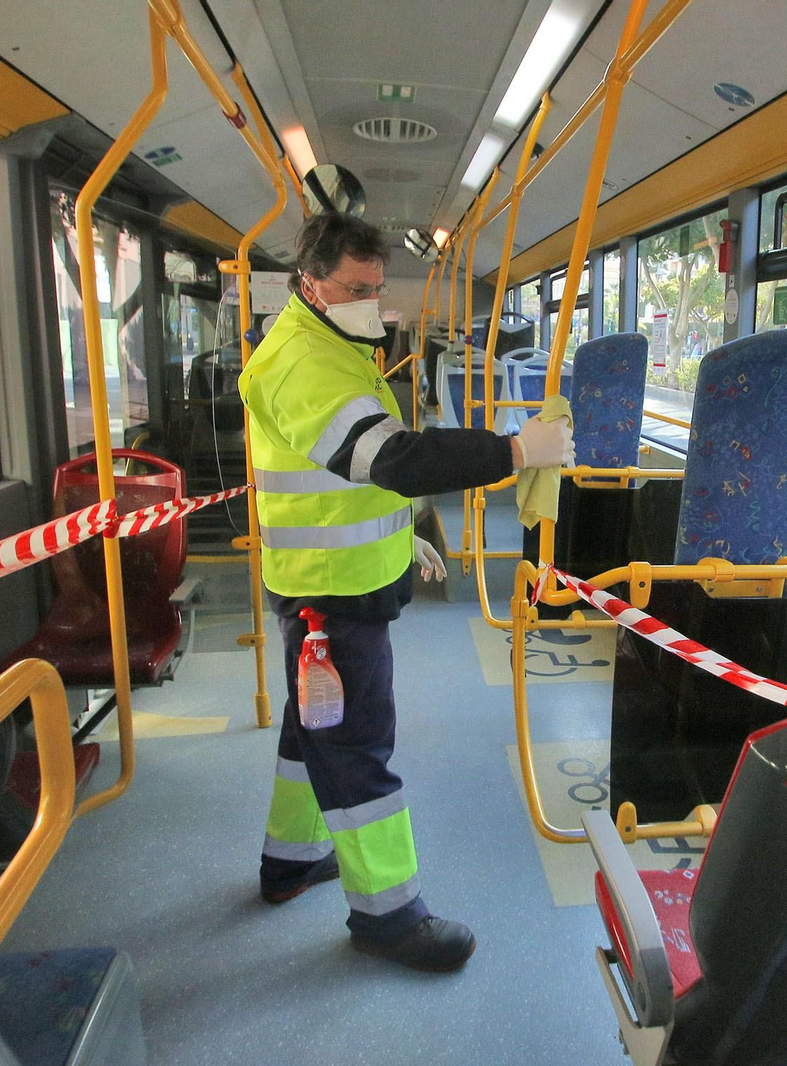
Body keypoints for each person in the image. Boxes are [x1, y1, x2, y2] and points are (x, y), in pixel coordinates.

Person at [238, 213, 572, 973]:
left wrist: (402, 530)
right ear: (310, 282)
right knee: (355, 746)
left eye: (377, 288)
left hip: (334, 577)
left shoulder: (329, 343)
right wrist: (517, 450)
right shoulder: (303, 361)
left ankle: (289, 863)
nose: (371, 303)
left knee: (312, 732)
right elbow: (388, 457)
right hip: (332, 594)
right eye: (356, 288)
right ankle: (389, 917)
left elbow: (346, 476)